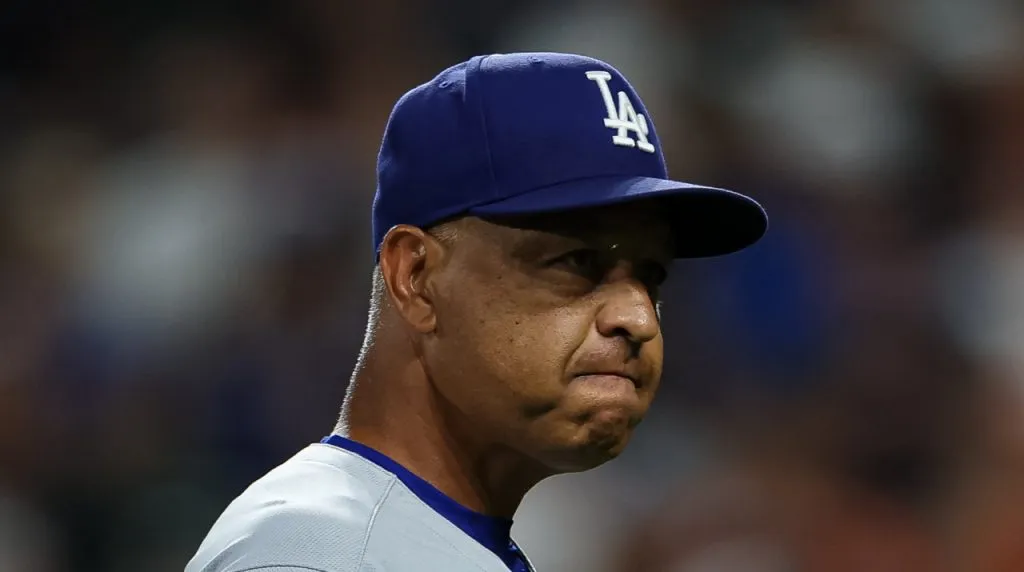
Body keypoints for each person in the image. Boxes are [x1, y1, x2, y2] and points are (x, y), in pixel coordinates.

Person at [186, 51, 767, 572]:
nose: (639, 320)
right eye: (577, 262)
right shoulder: (319, 554)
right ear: (415, 277)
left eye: (651, 275)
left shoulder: (405, 539)